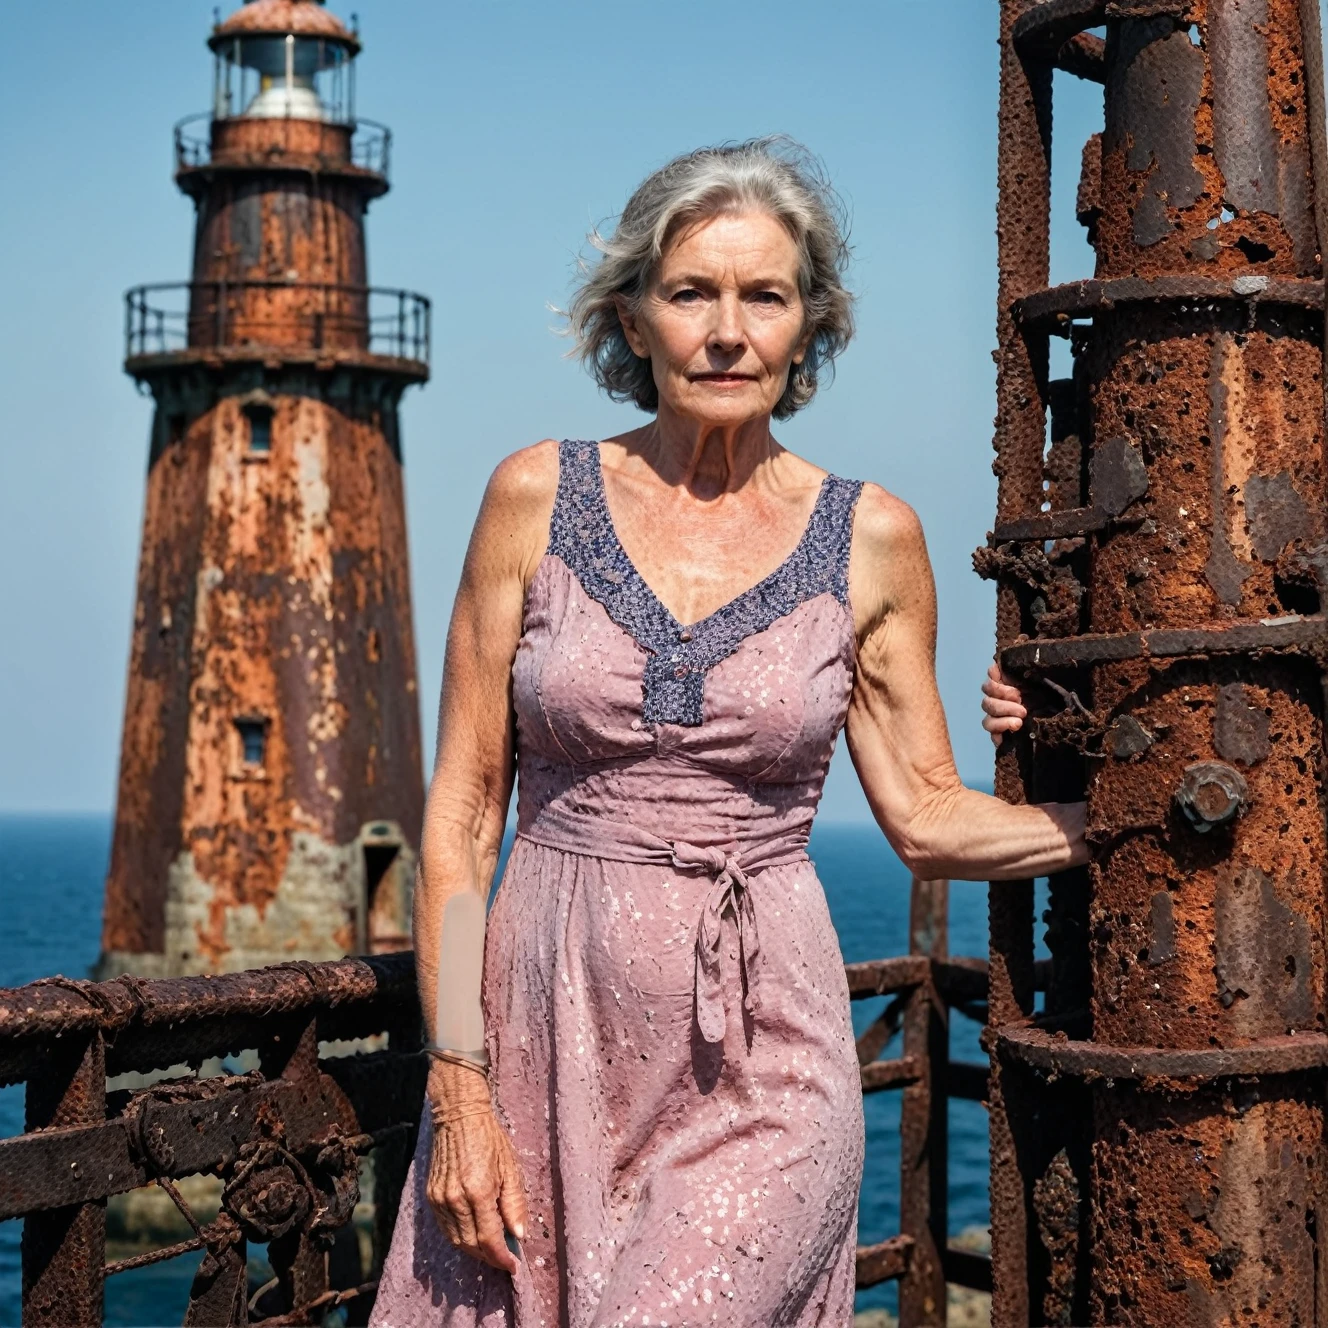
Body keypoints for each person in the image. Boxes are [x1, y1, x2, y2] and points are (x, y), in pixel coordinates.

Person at [370, 136, 1087, 1328]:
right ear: (632, 316)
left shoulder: (872, 536)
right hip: (547, 1038)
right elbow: (457, 814)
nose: (725, 330)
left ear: (809, 326)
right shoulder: (532, 497)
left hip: (768, 1055)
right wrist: (459, 1082)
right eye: (690, 291)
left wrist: (1105, 817)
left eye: (764, 295)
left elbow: (922, 812)